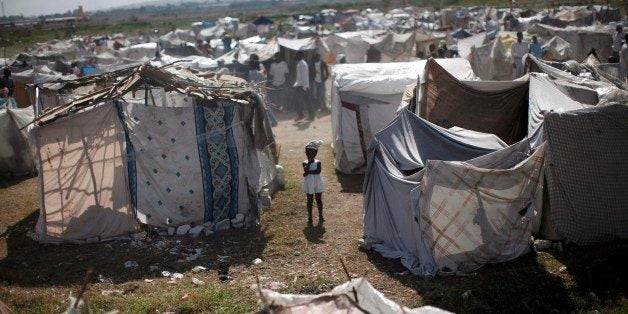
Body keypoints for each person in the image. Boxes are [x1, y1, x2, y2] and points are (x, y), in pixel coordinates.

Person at [302, 140, 324, 223]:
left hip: (317, 182)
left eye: (312, 153)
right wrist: (309, 163)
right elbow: (305, 169)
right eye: (308, 153)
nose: (310, 155)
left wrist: (307, 173)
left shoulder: (318, 162)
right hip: (308, 182)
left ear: (316, 153)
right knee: (309, 199)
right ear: (306, 153)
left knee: (318, 199)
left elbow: (318, 171)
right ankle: (310, 217)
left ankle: (321, 216)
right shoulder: (305, 162)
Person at [293, 51, 313, 121]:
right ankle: (304, 115)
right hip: (300, 85)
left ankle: (304, 115)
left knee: (299, 101)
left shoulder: (302, 64)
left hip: (302, 86)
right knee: (305, 101)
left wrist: (305, 87)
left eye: (296, 55)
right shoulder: (300, 63)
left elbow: (305, 76)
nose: (294, 56)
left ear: (299, 56)